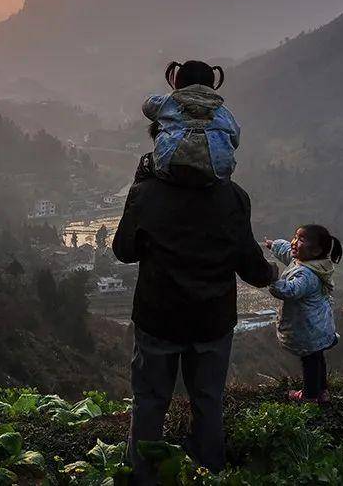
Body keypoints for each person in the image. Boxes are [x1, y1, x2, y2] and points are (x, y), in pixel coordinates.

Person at [113, 153, 279, 479]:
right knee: (207, 401)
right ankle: (208, 473)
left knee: (149, 400)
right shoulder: (232, 196)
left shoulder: (148, 193)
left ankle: (143, 476)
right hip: (212, 322)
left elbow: (124, 251)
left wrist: (138, 184)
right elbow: (252, 268)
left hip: (157, 319)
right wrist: (273, 272)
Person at [264, 225, 342, 403]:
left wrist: (274, 279)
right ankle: (322, 392)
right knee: (317, 358)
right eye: (295, 236)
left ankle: (309, 396)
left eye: (300, 239)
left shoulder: (307, 274)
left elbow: (290, 290)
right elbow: (287, 251)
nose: (294, 242)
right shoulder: (308, 261)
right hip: (318, 325)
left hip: (309, 329)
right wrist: (273, 245)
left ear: (316, 250)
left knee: (310, 362)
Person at [142, 60, 240, 187]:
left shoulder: (168, 102)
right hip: (216, 170)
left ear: (178, 81)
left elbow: (147, 106)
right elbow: (235, 139)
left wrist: (172, 96)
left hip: (171, 165)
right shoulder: (224, 112)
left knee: (143, 165)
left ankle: (134, 205)